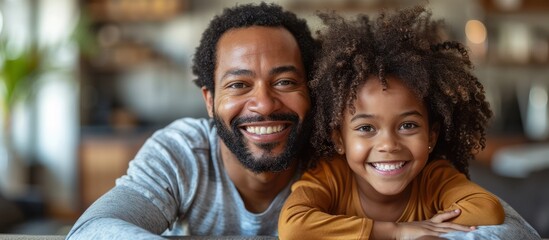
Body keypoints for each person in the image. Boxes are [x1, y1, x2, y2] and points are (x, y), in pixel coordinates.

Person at [67, 2, 539, 240]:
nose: (263, 103)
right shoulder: (180, 154)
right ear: (208, 100)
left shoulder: (348, 153)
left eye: (284, 80)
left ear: (315, 95)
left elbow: (512, 230)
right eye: (238, 85)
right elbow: (93, 231)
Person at [278, 5, 532, 240]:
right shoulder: (332, 176)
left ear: (431, 136)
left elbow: (487, 210)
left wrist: (427, 227)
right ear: (339, 139)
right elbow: (293, 225)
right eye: (366, 128)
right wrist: (397, 231)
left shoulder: (433, 177)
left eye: (408, 125)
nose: (388, 144)